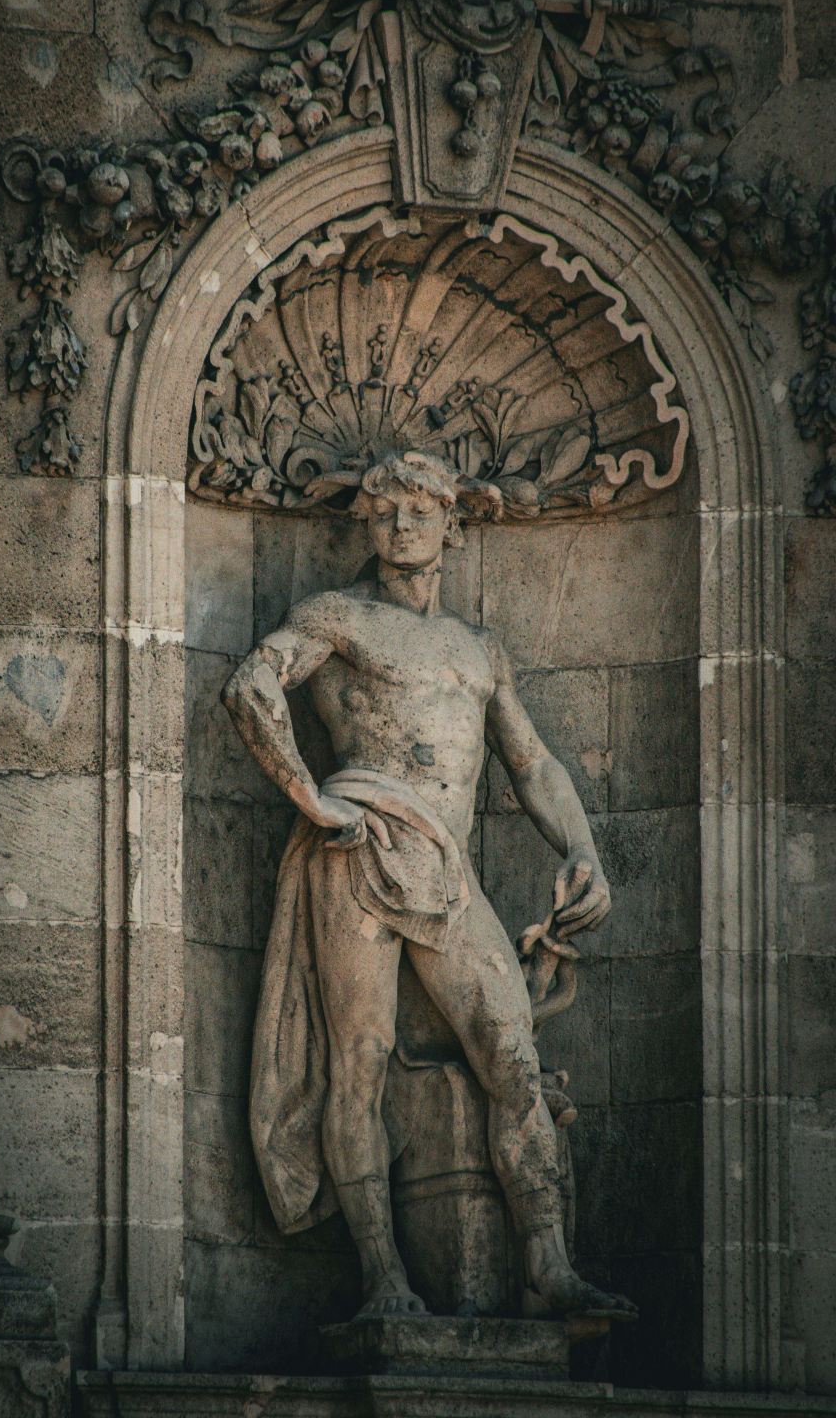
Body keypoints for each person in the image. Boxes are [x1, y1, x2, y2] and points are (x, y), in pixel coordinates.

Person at [222, 450, 636, 1322]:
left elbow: (532, 764)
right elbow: (253, 682)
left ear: (453, 521)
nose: (401, 527)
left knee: (513, 1054)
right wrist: (309, 796)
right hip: (360, 843)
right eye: (384, 514)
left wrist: (583, 847)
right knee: (358, 1063)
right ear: (366, 528)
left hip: (445, 866)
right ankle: (382, 1277)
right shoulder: (337, 617)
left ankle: (548, 1265)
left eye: (419, 510)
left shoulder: (478, 650)